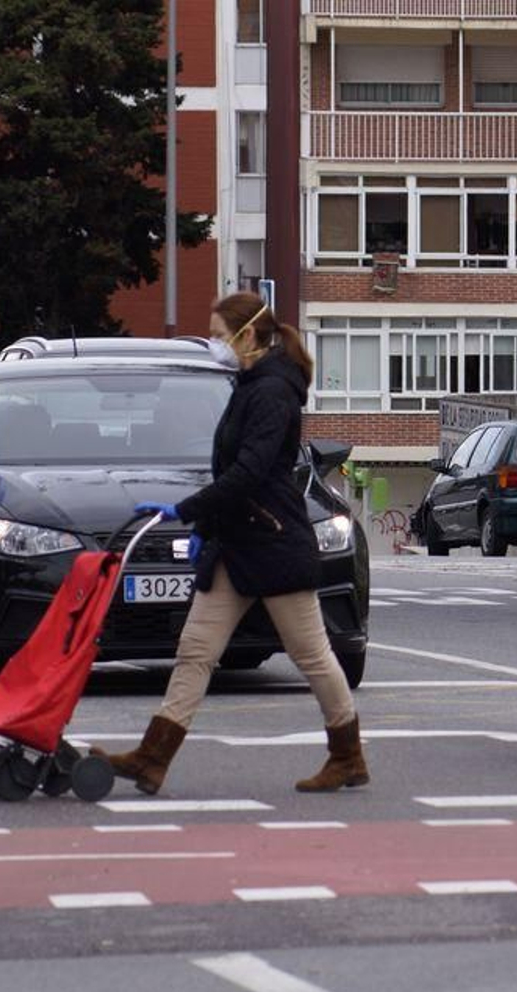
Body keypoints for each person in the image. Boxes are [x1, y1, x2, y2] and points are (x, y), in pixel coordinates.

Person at [92, 293, 367, 795]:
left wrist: (185, 510)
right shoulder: (249, 385)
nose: (215, 343)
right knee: (195, 650)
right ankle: (152, 759)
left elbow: (249, 472)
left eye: (219, 335)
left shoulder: (273, 391)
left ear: (247, 335)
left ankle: (347, 756)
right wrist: (204, 529)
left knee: (310, 653)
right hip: (236, 541)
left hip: (274, 542)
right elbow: (230, 473)